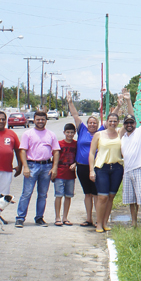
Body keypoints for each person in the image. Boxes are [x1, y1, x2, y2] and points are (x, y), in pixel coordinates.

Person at [16, 111, 61, 228]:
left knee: (42, 194)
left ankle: (39, 218)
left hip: (46, 166)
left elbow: (56, 151)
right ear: (34, 120)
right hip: (31, 166)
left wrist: (54, 167)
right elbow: (22, 151)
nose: (40, 122)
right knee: (27, 193)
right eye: (38, 119)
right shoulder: (28, 134)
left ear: (46, 120)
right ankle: (20, 218)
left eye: (43, 119)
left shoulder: (51, 134)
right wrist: (25, 167)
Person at [67, 92, 102, 227]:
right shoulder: (82, 130)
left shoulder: (101, 132)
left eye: (94, 123)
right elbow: (75, 116)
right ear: (87, 124)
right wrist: (70, 102)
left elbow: (113, 120)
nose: (92, 125)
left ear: (98, 124)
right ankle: (89, 219)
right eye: (90, 123)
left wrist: (118, 105)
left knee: (96, 194)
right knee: (87, 194)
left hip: (96, 168)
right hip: (82, 167)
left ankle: (98, 218)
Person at [121, 93, 141, 227]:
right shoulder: (123, 136)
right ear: (124, 125)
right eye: (127, 123)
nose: (129, 124)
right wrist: (127, 100)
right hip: (127, 170)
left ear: (135, 123)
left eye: (131, 122)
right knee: (131, 199)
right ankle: (134, 221)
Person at [88, 113, 123, 233]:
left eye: (115, 121)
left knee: (111, 197)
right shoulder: (99, 134)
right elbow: (92, 153)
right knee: (102, 197)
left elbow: (132, 116)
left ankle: (105, 222)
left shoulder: (120, 133)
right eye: (110, 121)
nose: (112, 123)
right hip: (102, 168)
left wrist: (127, 100)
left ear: (118, 122)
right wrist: (91, 170)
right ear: (106, 122)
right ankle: (98, 223)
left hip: (117, 168)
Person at [53, 123, 77, 226]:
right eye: (68, 132)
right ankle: (57, 217)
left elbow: (79, 157)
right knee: (59, 195)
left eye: (72, 132)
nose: (70, 134)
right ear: (64, 133)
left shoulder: (76, 144)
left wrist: (75, 164)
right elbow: (54, 157)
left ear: (74, 133)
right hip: (60, 173)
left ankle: (65, 217)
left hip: (70, 175)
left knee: (68, 196)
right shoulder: (59, 144)